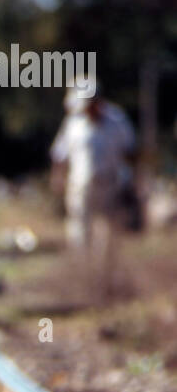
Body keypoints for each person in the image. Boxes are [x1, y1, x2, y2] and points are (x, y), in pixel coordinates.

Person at [50, 86, 138, 272]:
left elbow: (130, 151)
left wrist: (131, 180)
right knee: (80, 229)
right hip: (81, 185)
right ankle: (83, 272)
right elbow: (60, 154)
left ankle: (104, 273)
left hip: (110, 184)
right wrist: (58, 178)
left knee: (108, 234)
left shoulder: (117, 121)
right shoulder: (73, 123)